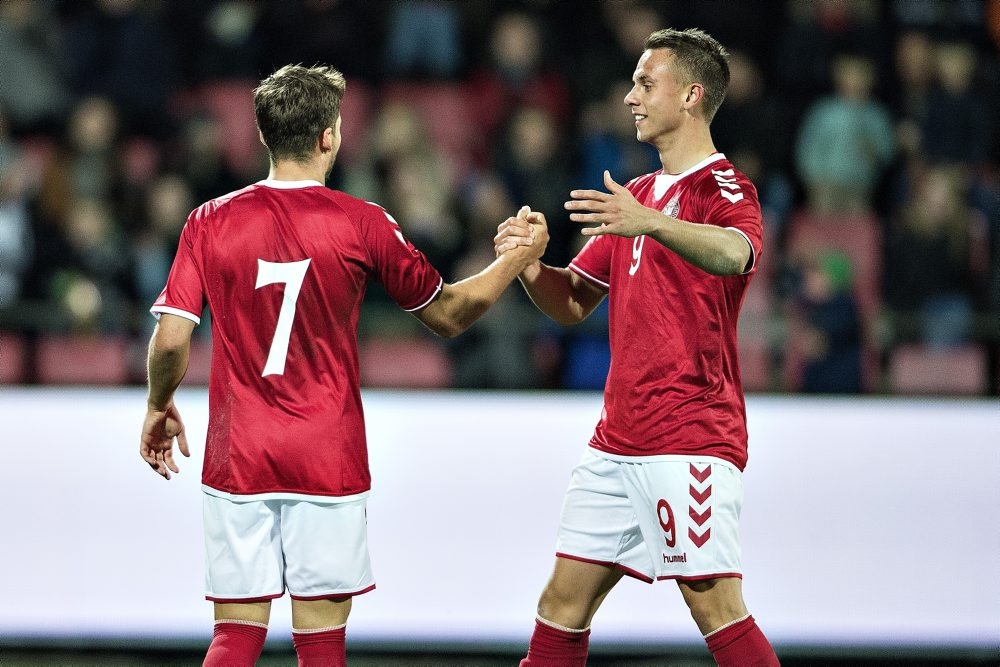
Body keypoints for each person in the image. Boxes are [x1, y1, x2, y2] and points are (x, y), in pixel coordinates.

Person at [138, 63, 546, 667]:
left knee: (236, 634)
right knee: (322, 641)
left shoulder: (209, 220)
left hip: (239, 451)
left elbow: (172, 340)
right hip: (326, 453)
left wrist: (157, 405)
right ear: (329, 136)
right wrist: (516, 258)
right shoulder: (363, 222)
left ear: (263, 135)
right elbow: (449, 314)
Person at [495, 28, 780, 666]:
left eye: (646, 84)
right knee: (561, 605)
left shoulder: (723, 188)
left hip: (689, 434)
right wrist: (529, 265)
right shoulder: (640, 195)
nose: (631, 97)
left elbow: (738, 253)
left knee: (716, 608)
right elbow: (573, 301)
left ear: (691, 95)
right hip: (617, 439)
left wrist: (652, 223)